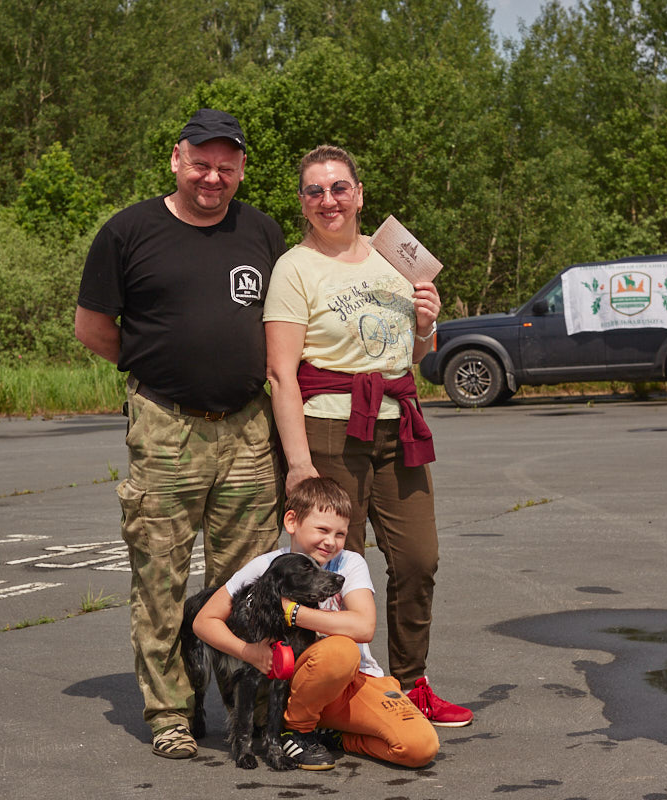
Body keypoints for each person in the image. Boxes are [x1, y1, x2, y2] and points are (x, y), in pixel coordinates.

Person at [74, 108, 287, 759]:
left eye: (227, 166)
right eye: (201, 162)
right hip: (165, 427)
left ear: (242, 169)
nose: (212, 177)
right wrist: (158, 369)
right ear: (176, 159)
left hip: (251, 430)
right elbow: (93, 328)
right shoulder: (127, 232)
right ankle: (170, 711)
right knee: (160, 577)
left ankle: (240, 713)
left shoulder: (262, 232)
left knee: (248, 585)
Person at [263, 145, 473, 727]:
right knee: (330, 567)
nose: (328, 200)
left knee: (417, 559)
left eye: (338, 188)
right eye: (314, 191)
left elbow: (412, 353)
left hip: (396, 424)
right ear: (303, 203)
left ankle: (409, 685)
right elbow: (281, 373)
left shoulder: (395, 261)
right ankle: (328, 690)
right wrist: (299, 463)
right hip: (330, 428)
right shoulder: (294, 267)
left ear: (359, 193)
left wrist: (427, 325)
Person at [194, 476, 440, 770]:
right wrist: (247, 652)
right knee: (339, 650)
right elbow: (204, 621)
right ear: (292, 522)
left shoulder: (349, 563)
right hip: (294, 688)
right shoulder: (268, 567)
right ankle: (295, 731)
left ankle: (334, 737)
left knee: (419, 747)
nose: (331, 541)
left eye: (340, 534)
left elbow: (364, 628)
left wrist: (291, 611)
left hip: (350, 683)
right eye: (322, 529)